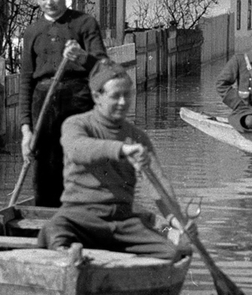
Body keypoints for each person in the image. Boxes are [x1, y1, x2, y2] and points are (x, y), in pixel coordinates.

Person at [38, 60, 183, 261]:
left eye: (127, 95)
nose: (123, 102)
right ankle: (67, 257)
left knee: (173, 253)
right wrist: (121, 149)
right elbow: (78, 149)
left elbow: (158, 184)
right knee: (53, 230)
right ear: (97, 97)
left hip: (122, 221)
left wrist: (175, 219)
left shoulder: (138, 137)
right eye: (116, 96)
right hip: (80, 217)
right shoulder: (76, 124)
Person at [19, 0, 108, 207]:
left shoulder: (84, 23)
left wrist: (80, 56)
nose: (50, 2)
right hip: (43, 101)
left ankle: (83, 214)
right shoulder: (32, 32)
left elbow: (103, 67)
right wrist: (26, 130)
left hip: (78, 99)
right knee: (44, 165)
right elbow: (26, 80)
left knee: (78, 160)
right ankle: (46, 219)